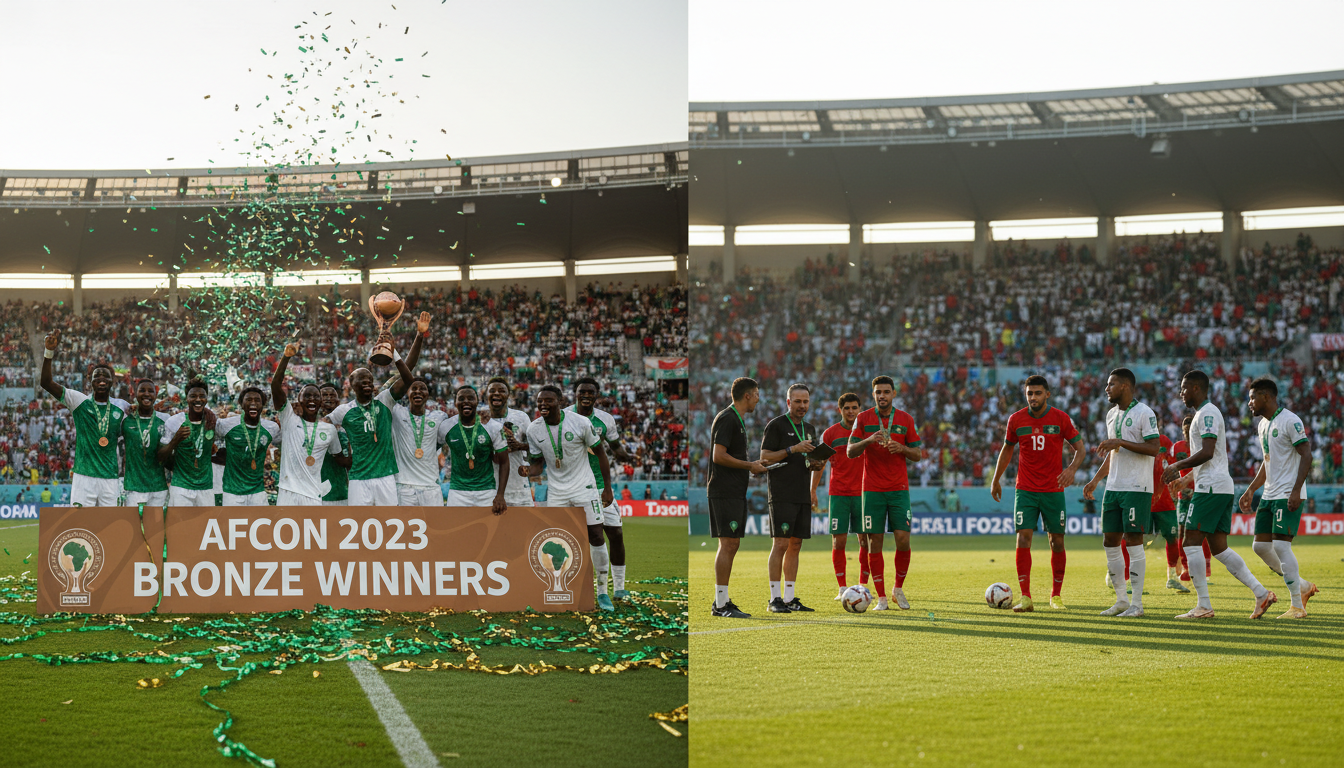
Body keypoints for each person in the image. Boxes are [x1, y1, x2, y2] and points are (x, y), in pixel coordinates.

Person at [1162, 370, 1276, 620]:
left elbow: (1208, 452)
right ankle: (1261, 593)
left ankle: (1203, 605)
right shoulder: (1203, 414)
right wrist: (1186, 479)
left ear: (1195, 388)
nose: (1181, 393)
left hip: (1211, 489)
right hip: (1216, 485)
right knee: (1219, 548)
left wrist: (1176, 466)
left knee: (1190, 542)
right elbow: (1209, 460)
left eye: (1184, 388)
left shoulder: (1208, 413)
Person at [990, 374, 1084, 612]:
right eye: (1029, 393)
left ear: (1047, 394)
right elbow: (1007, 450)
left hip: (1053, 490)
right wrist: (996, 478)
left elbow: (1080, 448)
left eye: (1038, 393)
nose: (1033, 397)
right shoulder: (1016, 419)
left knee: (1057, 541)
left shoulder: (1061, 419)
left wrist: (1071, 470)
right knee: (1023, 538)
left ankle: (1056, 596)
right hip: (1026, 490)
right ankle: (1026, 597)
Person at [522, 384, 616, 611]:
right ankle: (562, 588)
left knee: (596, 535)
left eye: (548, 401)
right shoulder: (534, 430)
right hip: (557, 492)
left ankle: (603, 592)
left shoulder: (580, 423)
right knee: (559, 541)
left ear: (560, 401)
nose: (543, 405)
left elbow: (602, 454)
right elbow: (537, 465)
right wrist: (527, 471)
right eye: (540, 401)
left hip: (585, 488)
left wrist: (607, 488)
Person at [1082, 368, 1161, 618]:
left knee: (1134, 540)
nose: (1107, 389)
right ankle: (1121, 601)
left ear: (1125, 386)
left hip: (1137, 487)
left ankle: (1137, 604)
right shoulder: (1110, 415)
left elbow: (1153, 448)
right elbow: (1113, 454)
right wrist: (1095, 481)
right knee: (1110, 541)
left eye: (1111, 384)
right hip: (1113, 487)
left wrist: (1121, 442)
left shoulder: (1144, 413)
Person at [1239, 376, 1318, 618]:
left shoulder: (1290, 420)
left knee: (1282, 546)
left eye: (1253, 398)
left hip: (1287, 493)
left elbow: (1306, 455)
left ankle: (1297, 606)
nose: (1249, 403)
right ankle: (1303, 587)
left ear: (1266, 397)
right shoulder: (1263, 425)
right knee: (1261, 546)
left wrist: (1296, 490)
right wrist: (1252, 489)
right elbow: (1267, 462)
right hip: (1270, 493)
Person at [327, 314, 426, 506]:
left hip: (385, 476)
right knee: (359, 526)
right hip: (358, 478)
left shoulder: (384, 401)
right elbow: (321, 424)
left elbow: (408, 377)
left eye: (370, 380)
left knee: (388, 525)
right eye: (361, 380)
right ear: (351, 385)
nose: (367, 383)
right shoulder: (343, 411)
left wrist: (397, 350)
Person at [847, 375, 922, 611]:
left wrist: (902, 448)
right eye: (878, 392)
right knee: (874, 542)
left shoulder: (905, 419)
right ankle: (880, 598)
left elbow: (918, 453)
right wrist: (868, 440)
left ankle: (898, 588)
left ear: (893, 394)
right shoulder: (863, 418)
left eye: (886, 392)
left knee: (903, 539)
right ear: (873, 395)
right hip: (872, 489)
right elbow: (849, 451)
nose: (882, 396)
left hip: (899, 489)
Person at [40, 332, 131, 507]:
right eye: (97, 376)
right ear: (89, 380)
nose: (102, 380)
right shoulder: (79, 401)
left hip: (110, 479)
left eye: (106, 377)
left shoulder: (123, 408)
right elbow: (46, 382)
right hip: (83, 478)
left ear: (112, 381)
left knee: (110, 529)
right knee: (81, 528)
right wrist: (49, 352)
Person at [566, 378, 636, 602]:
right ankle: (577, 587)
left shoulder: (605, 420)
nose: (586, 395)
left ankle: (620, 588)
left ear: (597, 395)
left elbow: (615, 447)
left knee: (615, 533)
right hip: (573, 487)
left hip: (599, 486)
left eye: (591, 392)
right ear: (575, 394)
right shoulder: (564, 416)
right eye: (582, 391)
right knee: (579, 538)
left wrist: (627, 455)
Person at [758, 383, 824, 613]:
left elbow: (810, 460)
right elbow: (764, 458)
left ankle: (789, 598)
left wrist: (816, 464)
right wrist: (793, 449)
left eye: (805, 401)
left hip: (801, 493)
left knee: (796, 545)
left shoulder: (810, 428)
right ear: (788, 402)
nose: (802, 406)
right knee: (781, 544)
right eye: (797, 401)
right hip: (781, 493)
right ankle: (774, 599)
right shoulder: (776, 425)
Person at [707, 377, 768, 618]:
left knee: (732, 543)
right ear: (748, 395)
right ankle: (720, 605)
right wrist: (748, 465)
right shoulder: (728, 418)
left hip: (733, 491)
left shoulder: (736, 420)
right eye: (757, 394)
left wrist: (751, 467)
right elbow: (718, 456)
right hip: (724, 492)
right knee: (728, 544)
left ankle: (723, 600)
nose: (758, 399)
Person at [270, 348, 349, 505]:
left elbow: (341, 459)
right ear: (299, 399)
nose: (311, 399)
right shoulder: (289, 418)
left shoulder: (330, 430)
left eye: (315, 396)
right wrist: (286, 357)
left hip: (313, 496)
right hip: (288, 494)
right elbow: (275, 386)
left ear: (320, 402)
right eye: (307, 396)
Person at [815, 392, 869, 600]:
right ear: (840, 410)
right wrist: (813, 490)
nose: (850, 411)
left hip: (863, 495)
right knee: (839, 542)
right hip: (838, 494)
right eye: (846, 408)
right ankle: (842, 587)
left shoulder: (866, 433)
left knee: (864, 541)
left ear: (859, 409)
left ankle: (862, 587)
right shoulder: (830, 434)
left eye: (854, 407)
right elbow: (819, 464)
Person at [438, 385, 508, 512]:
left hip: (486, 491)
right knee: (457, 531)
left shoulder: (492, 426)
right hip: (457, 491)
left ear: (477, 401)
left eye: (470, 398)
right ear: (455, 402)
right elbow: (431, 449)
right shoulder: (446, 427)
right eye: (461, 398)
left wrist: (500, 495)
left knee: (489, 531)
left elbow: (504, 462)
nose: (466, 402)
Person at [158, 379, 221, 507]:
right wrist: (175, 440)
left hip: (206, 487)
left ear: (206, 399)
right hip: (181, 487)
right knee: (180, 527)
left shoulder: (214, 423)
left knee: (205, 526)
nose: (198, 399)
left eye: (202, 396)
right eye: (193, 396)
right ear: (187, 398)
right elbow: (160, 456)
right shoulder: (175, 422)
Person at [215, 387, 280, 506]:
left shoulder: (272, 428)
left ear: (263, 404)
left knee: (262, 525)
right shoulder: (225, 425)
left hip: (258, 493)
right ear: (241, 403)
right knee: (232, 525)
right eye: (249, 400)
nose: (253, 403)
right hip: (232, 493)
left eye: (257, 400)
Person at [391, 377, 449, 507]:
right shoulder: (397, 412)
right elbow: (386, 393)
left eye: (422, 388)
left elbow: (440, 443)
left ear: (428, 394)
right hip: (404, 486)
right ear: (407, 392)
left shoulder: (439, 417)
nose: (418, 391)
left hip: (430, 486)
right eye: (414, 388)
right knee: (405, 527)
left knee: (434, 526)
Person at [481, 376, 536, 507]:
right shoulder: (480, 419)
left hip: (519, 489)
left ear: (508, 395)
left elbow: (536, 446)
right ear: (486, 395)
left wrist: (519, 446)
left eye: (501, 390)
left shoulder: (521, 417)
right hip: (489, 490)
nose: (496, 393)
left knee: (524, 527)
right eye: (492, 390)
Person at [1171, 416, 1212, 582]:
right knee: (1182, 531)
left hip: (1201, 494)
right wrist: (1174, 486)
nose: (1187, 434)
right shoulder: (1178, 447)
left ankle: (1206, 568)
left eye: (1190, 430)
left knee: (1201, 531)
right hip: (1184, 496)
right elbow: (1174, 469)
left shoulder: (1203, 447)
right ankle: (1187, 568)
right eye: (1184, 431)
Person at [1149, 422, 1188, 593]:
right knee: (1135, 540)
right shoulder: (1135, 442)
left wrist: (1178, 483)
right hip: (1142, 496)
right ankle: (1122, 577)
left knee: (1172, 538)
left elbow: (1172, 467)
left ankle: (1172, 577)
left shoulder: (1164, 442)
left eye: (1154, 422)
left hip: (1164, 500)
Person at [120, 378, 169, 508]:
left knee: (156, 528)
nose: (146, 394)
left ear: (155, 395)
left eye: (150, 391)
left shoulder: (165, 420)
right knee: (133, 528)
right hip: (133, 488)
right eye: (142, 390)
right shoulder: (126, 420)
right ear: (135, 394)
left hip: (158, 488)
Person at [318, 384, 351, 506]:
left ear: (338, 401)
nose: (328, 398)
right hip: (321, 485)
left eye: (332, 395)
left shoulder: (348, 423)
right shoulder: (312, 424)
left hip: (345, 486)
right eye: (324, 395)